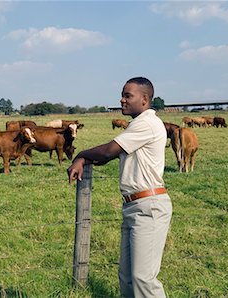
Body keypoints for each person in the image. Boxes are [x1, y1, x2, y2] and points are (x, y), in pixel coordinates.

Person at [67, 77, 172, 298]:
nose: (122, 100)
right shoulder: (137, 124)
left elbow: (107, 152)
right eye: (122, 95)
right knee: (127, 277)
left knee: (143, 279)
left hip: (148, 206)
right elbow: (108, 157)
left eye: (127, 95)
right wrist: (85, 160)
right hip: (134, 206)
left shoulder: (147, 123)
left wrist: (80, 154)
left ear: (144, 99)